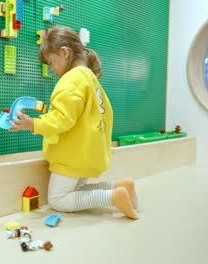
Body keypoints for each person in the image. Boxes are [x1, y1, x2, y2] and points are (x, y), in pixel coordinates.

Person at [8, 26, 139, 220]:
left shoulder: (70, 81)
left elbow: (62, 119)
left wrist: (33, 124)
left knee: (58, 199)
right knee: (79, 189)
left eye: (51, 63)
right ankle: (120, 186)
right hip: (90, 153)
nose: (51, 70)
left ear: (64, 52)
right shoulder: (89, 78)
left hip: (73, 156)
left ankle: (112, 196)